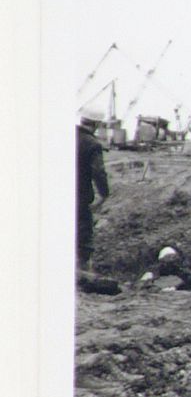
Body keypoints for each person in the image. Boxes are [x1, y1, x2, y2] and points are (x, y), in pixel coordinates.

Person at [76, 108, 110, 275]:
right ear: (96, 124)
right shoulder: (92, 144)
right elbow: (98, 171)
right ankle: (84, 274)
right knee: (83, 237)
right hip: (80, 197)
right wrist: (104, 193)